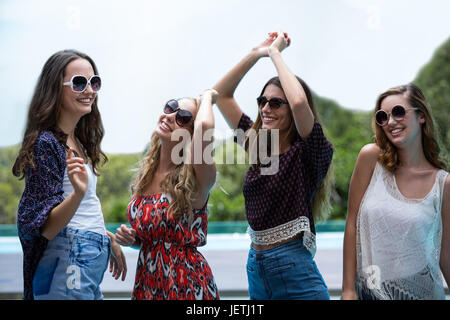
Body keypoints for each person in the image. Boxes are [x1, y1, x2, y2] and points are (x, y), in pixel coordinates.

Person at [212, 31, 334, 300]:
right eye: (262, 101)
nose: (265, 108)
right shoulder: (257, 147)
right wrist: (256, 53)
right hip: (256, 267)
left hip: (293, 267)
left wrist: (276, 53)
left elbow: (300, 102)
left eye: (276, 102)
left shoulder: (309, 153)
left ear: (291, 109)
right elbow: (219, 96)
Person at [13, 49, 127, 300]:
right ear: (56, 88)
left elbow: (79, 212)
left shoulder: (76, 140)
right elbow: (45, 227)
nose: (89, 90)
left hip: (84, 253)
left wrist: (103, 236)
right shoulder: (46, 143)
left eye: (94, 82)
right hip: (70, 256)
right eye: (79, 83)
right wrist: (78, 193)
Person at [341, 83, 450, 300]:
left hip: (422, 293)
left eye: (398, 112)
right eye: (383, 117)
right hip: (369, 292)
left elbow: (445, 252)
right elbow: (352, 223)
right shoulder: (371, 159)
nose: (390, 122)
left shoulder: (443, 184)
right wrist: (348, 290)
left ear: (421, 116)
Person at [115, 90, 220, 300]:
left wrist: (208, 97)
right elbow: (155, 239)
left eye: (183, 118)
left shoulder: (196, 177)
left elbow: (205, 127)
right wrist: (133, 239)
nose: (170, 116)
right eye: (171, 107)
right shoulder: (146, 174)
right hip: (148, 285)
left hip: (186, 286)